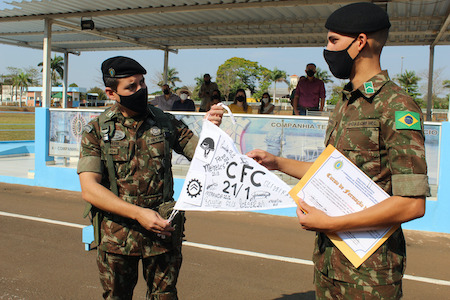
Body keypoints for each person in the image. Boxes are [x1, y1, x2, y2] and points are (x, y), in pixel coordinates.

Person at [247, 3, 429, 299]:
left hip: (370, 276)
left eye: (333, 41)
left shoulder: (397, 106)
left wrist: (331, 223)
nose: (326, 50)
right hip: (329, 264)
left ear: (359, 42)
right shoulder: (344, 104)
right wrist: (277, 162)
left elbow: (411, 204)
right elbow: (330, 173)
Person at [77, 56, 223, 300]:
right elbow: (90, 189)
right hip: (118, 238)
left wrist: (211, 131)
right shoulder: (96, 131)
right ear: (111, 93)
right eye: (131, 87)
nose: (140, 90)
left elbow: (201, 154)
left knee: (165, 296)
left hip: (162, 233)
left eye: (142, 83)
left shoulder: (164, 121)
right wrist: (138, 213)